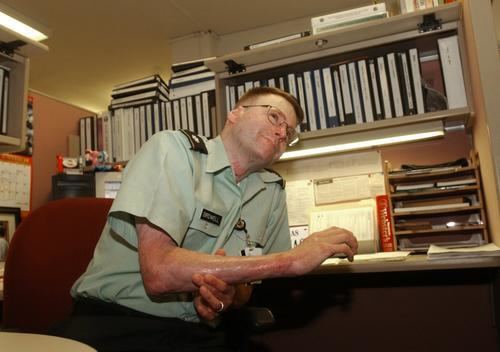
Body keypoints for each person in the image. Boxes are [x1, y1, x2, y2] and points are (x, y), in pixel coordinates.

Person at [55, 87, 358, 351]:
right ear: (235, 114)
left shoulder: (272, 191)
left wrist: (225, 295)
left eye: (289, 134)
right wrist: (289, 261)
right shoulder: (174, 150)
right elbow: (159, 272)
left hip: (200, 331)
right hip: (116, 323)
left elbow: (245, 291)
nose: (282, 133)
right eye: (274, 117)